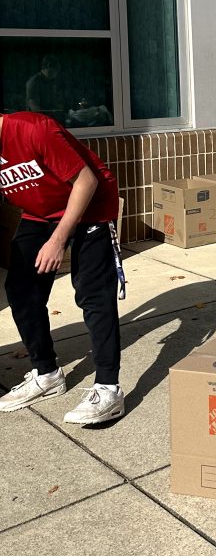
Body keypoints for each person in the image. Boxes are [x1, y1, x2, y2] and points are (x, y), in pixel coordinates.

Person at [0, 111, 125, 423]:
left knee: (92, 293)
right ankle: (47, 374)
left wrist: (57, 240)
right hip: (39, 212)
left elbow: (87, 180)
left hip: (90, 205)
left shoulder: (33, 130)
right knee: (21, 290)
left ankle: (109, 389)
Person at [25, 54, 65, 122]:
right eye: (54, 71)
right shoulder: (34, 82)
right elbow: (34, 106)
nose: (55, 74)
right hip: (36, 120)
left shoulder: (51, 81)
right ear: (48, 67)